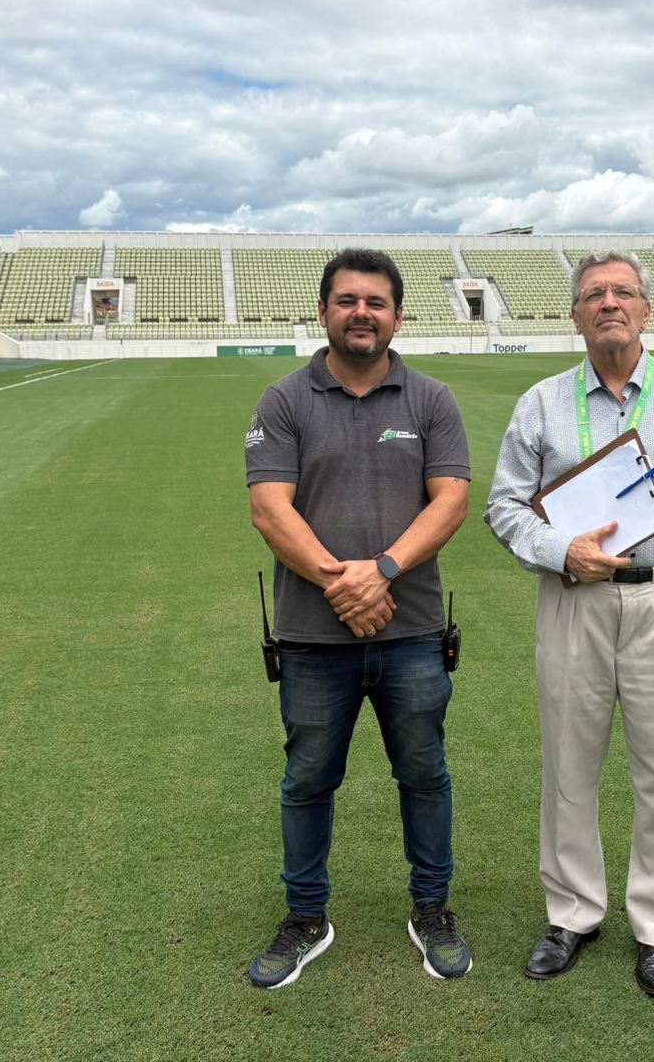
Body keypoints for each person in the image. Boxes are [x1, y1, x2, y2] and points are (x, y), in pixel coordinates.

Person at [484, 250, 654, 1000]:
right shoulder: (541, 402)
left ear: (646, 309)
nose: (609, 302)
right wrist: (556, 549)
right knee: (569, 764)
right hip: (573, 598)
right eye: (594, 293)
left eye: (623, 292)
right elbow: (503, 506)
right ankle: (573, 913)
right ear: (575, 315)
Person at [244, 247, 474, 989]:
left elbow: (451, 502)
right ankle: (306, 916)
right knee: (308, 780)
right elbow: (268, 508)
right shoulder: (284, 400)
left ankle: (431, 908)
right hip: (313, 639)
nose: (362, 313)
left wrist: (380, 574)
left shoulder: (431, 400)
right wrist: (340, 583)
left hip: (411, 633)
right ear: (324, 312)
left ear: (398, 316)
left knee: (424, 774)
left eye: (376, 302)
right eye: (347, 301)